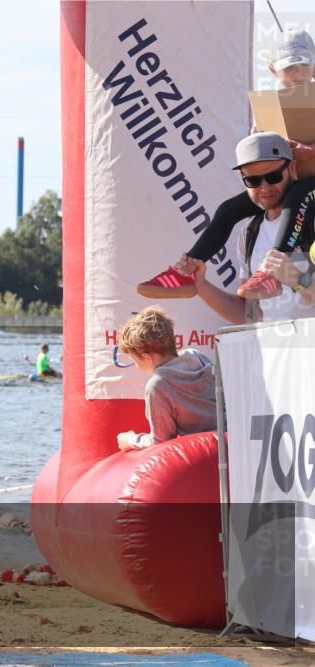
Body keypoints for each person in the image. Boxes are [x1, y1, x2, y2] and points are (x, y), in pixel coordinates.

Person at [138, 29, 315, 301]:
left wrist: (309, 152)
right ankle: (188, 268)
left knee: (297, 194)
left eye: (304, 65)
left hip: (307, 185)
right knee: (229, 208)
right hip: (285, 177)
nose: (299, 74)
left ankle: (273, 270)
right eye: (291, 68)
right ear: (273, 70)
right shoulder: (268, 106)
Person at [188, 133, 315, 325]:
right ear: (242, 179)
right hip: (281, 352)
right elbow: (251, 316)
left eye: (273, 176)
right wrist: (200, 284)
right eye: (253, 181)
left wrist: (297, 278)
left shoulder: (311, 221)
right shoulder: (249, 232)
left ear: (292, 167)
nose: (264, 187)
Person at [115, 307, 217, 450]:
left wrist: (131, 440)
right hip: (231, 441)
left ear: (146, 357)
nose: (136, 365)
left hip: (202, 452)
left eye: (134, 359)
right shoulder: (196, 356)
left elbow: (160, 441)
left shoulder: (158, 385)